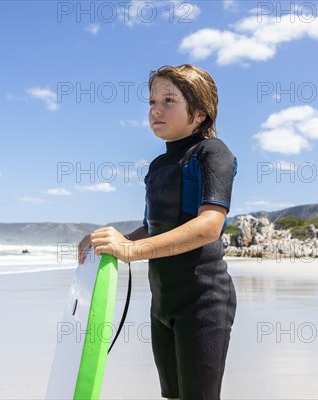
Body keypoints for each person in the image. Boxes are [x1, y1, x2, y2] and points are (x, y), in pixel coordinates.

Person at [78, 64, 237, 400]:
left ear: (200, 113)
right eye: (151, 101)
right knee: (173, 396)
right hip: (163, 305)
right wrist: (111, 241)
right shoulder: (157, 166)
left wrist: (133, 251)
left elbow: (210, 225)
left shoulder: (212, 153)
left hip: (203, 303)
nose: (155, 109)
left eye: (168, 100)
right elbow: (152, 229)